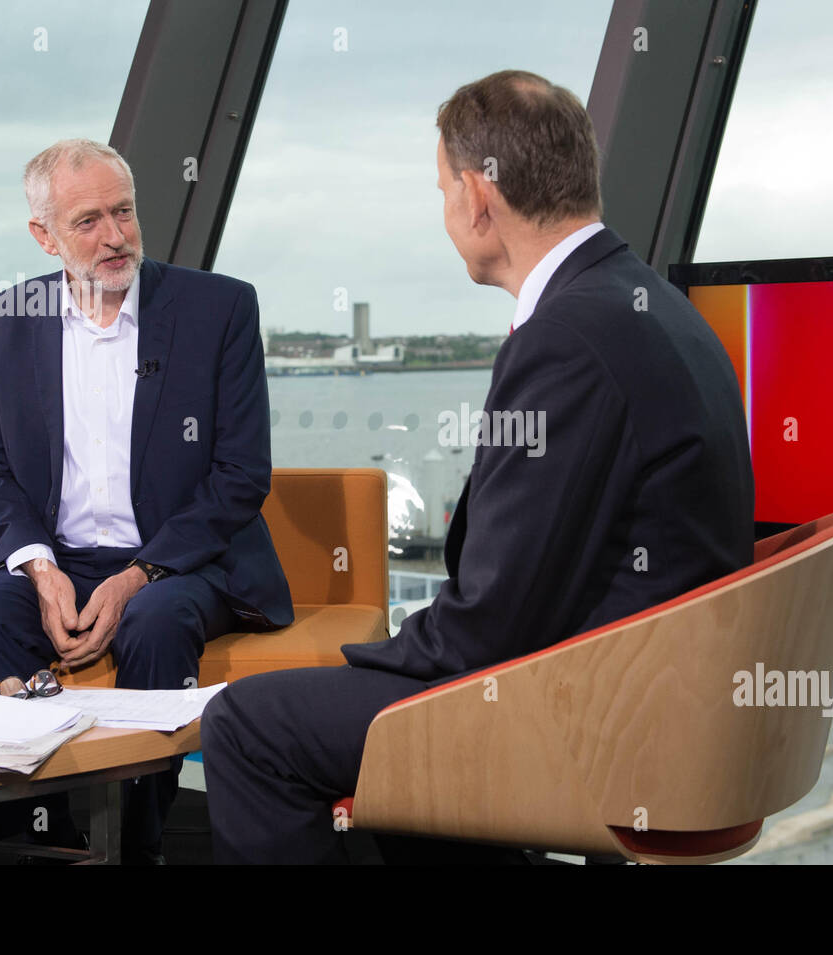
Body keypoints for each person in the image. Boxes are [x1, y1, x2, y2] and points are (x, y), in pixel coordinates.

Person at [201, 70, 755, 863]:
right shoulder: (649, 304)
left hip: (603, 721)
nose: (446, 212)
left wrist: (367, 659)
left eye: (441, 192)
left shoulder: (569, 339)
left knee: (248, 725)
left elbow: (491, 622)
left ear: (477, 197)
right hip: (661, 702)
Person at [0, 139, 293, 863]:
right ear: (43, 237)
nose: (115, 236)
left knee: (155, 620)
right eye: (88, 221)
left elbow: (240, 473)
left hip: (181, 561)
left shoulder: (219, 308)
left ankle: (136, 846)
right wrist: (41, 569)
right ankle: (38, 844)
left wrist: (139, 571)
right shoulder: (6, 320)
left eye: (124, 212)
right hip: (61, 555)